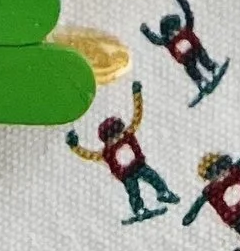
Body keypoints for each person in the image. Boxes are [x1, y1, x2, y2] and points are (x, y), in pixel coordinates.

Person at [68, 80, 177, 221]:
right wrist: (74, 145)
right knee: (134, 192)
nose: (117, 138)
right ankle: (139, 210)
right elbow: (89, 154)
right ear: (106, 140)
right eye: (112, 137)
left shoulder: (128, 135)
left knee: (154, 177)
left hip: (139, 166)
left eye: (118, 133)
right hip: (127, 175)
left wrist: (137, 94)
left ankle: (163, 193)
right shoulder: (107, 152)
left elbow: (137, 116)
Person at [143, 0, 229, 99]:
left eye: (176, 30)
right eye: (171, 33)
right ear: (167, 34)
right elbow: (156, 40)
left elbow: (189, 15)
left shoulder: (186, 30)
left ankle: (213, 68)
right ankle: (200, 81)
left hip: (196, 49)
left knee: (203, 58)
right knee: (191, 69)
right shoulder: (168, 42)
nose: (175, 34)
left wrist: (181, 0)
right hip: (187, 59)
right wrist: (146, 32)